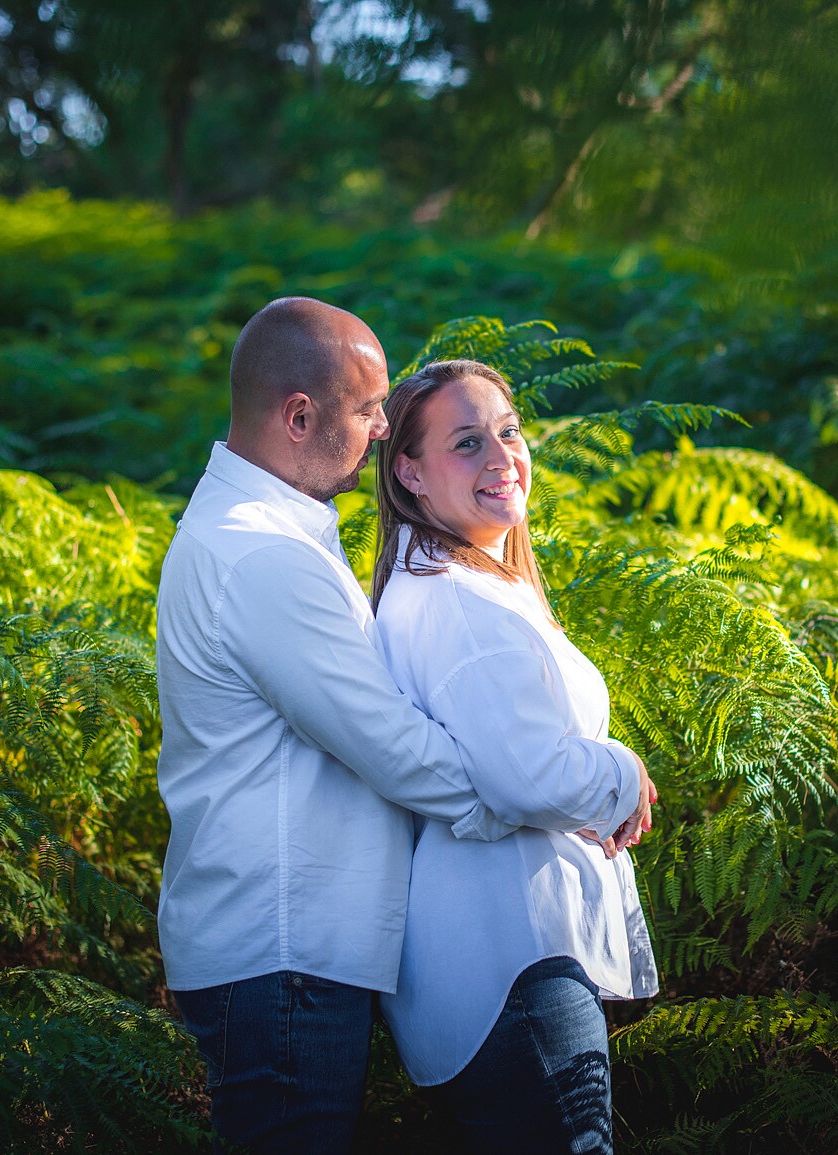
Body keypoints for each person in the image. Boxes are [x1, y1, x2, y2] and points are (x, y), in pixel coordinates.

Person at [155, 298, 655, 1154]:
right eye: (366, 409)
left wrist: (541, 784)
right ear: (298, 415)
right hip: (283, 953)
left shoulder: (265, 534)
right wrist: (549, 791)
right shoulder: (261, 553)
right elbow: (398, 753)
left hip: (293, 949)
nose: (383, 429)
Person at [370, 358, 661, 1154]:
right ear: (410, 472)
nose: (501, 456)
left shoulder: (455, 581)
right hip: (512, 960)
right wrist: (622, 775)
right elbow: (525, 772)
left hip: (512, 958)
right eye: (466, 442)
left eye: (508, 431)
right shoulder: (453, 598)